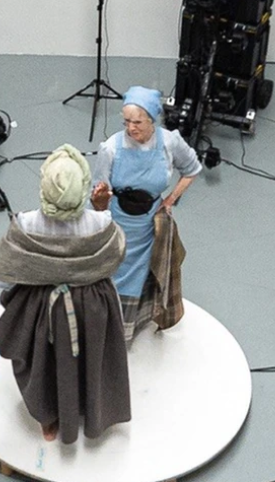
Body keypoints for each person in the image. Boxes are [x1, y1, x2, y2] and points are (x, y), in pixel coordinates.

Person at [0, 144, 130, 444]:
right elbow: (115, 259)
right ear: (83, 190)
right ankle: (91, 413)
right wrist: (102, 209)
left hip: (42, 308)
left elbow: (5, 275)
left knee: (43, 362)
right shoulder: (100, 222)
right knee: (92, 359)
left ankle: (49, 418)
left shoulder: (26, 224)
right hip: (92, 308)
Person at [91, 86, 202, 341]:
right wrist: (99, 200)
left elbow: (192, 169)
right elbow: (98, 195)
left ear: (152, 119)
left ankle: (128, 330)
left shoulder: (170, 142)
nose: (131, 128)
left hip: (148, 227)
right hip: (118, 225)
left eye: (138, 122)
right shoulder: (111, 148)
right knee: (111, 277)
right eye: (126, 122)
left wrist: (171, 199)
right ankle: (105, 332)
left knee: (141, 278)